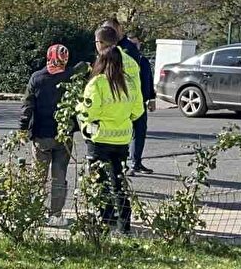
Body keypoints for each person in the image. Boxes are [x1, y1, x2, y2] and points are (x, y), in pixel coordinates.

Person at [78, 27, 145, 234]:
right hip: (122, 138)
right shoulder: (130, 76)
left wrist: (81, 114)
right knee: (119, 181)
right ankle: (124, 223)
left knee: (100, 182)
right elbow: (138, 110)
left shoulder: (97, 83)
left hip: (99, 138)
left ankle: (103, 221)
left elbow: (87, 111)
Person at [19, 44, 75, 227]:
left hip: (41, 136)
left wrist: (22, 129)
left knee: (38, 176)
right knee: (59, 177)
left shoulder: (36, 78)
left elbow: (27, 107)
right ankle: (56, 215)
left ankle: (34, 213)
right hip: (63, 136)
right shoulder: (70, 77)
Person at [103, 18, 156, 175]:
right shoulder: (108, 50)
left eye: (111, 30)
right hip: (117, 99)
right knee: (122, 133)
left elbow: (143, 74)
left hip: (134, 98)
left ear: (119, 30)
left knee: (138, 131)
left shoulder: (128, 49)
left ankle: (134, 163)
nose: (109, 34)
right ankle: (124, 165)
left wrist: (150, 97)